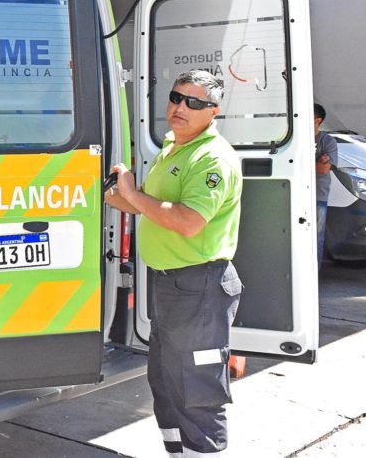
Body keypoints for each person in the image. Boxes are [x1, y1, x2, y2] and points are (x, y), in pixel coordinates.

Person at [105, 69, 243, 457]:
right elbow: (149, 206)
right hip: (171, 284)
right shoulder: (172, 147)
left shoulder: (212, 158)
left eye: (194, 102)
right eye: (177, 97)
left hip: (200, 286)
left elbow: (188, 221)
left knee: (196, 389)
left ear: (213, 111)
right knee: (165, 382)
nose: (181, 107)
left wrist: (133, 194)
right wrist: (116, 194)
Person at [314, 103, 338, 269]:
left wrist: (304, 164)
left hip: (318, 196)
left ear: (318, 120)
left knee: (317, 236)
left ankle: (315, 272)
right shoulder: (295, 137)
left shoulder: (327, 141)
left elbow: (323, 169)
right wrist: (316, 161)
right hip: (295, 195)